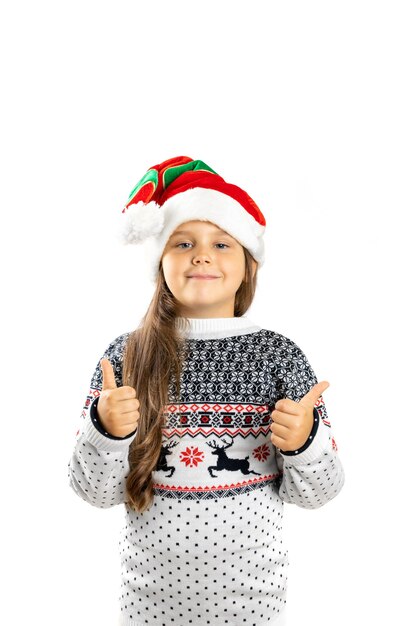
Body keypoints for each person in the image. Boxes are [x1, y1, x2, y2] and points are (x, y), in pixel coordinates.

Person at [68, 155, 345, 626]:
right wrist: (105, 430)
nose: (202, 254)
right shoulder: (124, 357)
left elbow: (319, 493)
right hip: (147, 607)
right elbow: (94, 492)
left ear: (246, 268)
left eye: (221, 243)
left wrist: (304, 442)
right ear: (159, 263)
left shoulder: (278, 357)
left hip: (253, 607)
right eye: (183, 242)